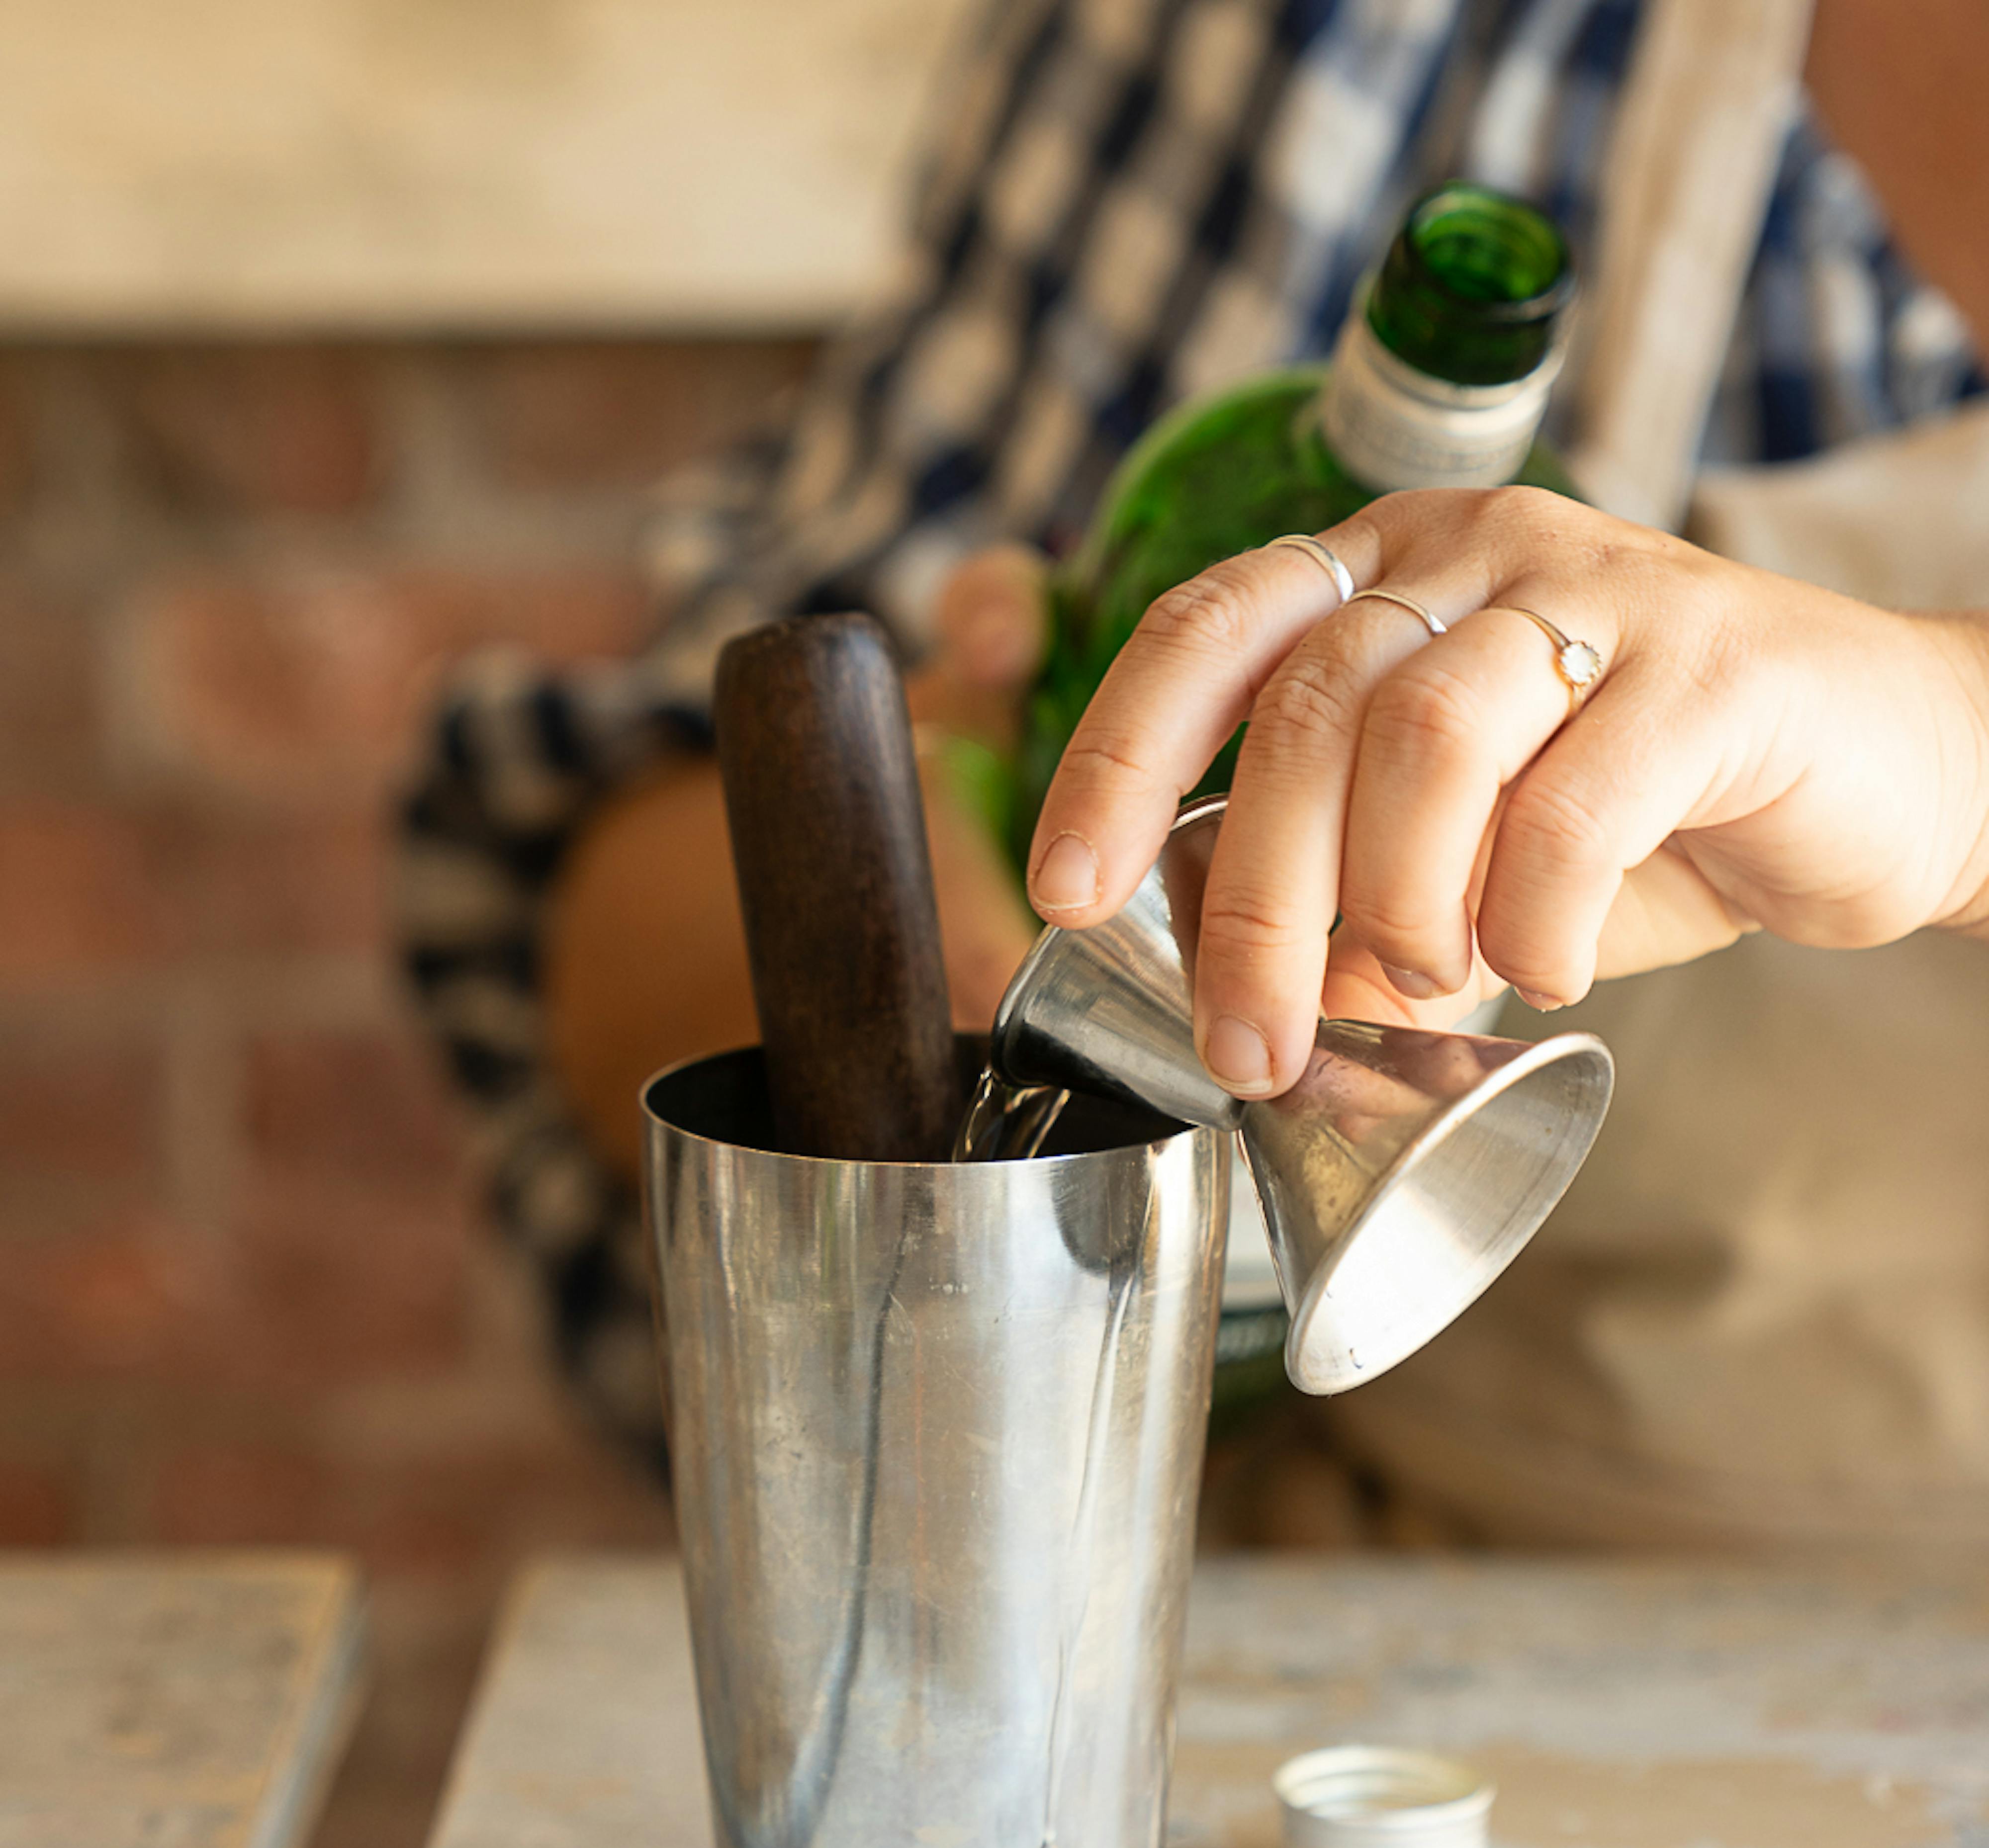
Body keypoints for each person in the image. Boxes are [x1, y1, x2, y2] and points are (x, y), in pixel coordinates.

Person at [400, 0, 1989, 1553]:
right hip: (1442, 1599)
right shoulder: (1345, 42)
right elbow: (624, 908)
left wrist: (1949, 751)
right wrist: (935, 913)